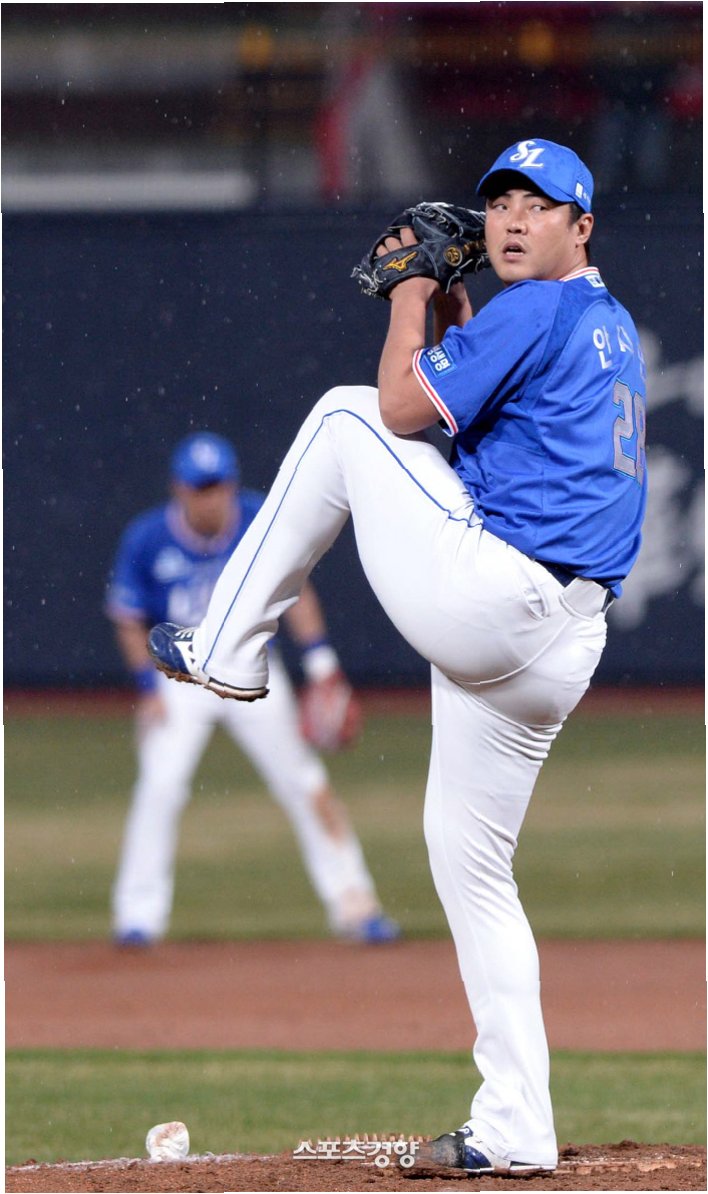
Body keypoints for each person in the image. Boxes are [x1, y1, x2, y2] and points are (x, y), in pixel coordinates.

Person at [147, 140, 647, 1174]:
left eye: (539, 206)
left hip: (501, 597)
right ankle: (515, 1124)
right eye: (499, 203)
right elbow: (482, 415)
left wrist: (411, 292)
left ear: (582, 226)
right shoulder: (601, 322)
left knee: (343, 416)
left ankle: (227, 645)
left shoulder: (537, 309)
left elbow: (403, 408)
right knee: (472, 866)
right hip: (561, 642)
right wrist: (453, 305)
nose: (512, 220)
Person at [106, 431, 401, 948]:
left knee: (304, 781)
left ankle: (355, 904)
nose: (211, 497)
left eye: (218, 485)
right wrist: (147, 688)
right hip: (179, 677)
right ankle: (138, 917)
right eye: (200, 487)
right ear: (179, 489)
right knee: (160, 787)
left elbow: (296, 591)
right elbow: (129, 617)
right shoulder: (148, 537)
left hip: (250, 670)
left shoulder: (257, 518)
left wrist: (322, 664)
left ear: (232, 484)